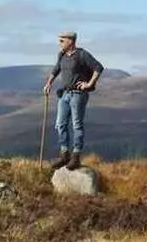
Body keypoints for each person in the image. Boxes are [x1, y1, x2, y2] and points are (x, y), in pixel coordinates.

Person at [43, 31, 104, 169]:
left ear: (71, 41)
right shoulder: (62, 55)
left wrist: (89, 84)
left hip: (78, 94)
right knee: (60, 124)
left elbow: (98, 67)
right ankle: (65, 155)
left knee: (77, 124)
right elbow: (56, 69)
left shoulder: (82, 54)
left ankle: (76, 156)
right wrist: (49, 83)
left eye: (62, 40)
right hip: (64, 94)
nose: (60, 43)